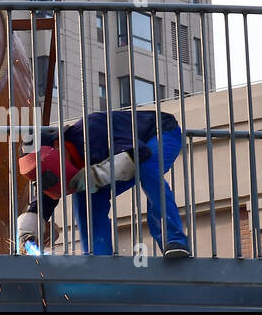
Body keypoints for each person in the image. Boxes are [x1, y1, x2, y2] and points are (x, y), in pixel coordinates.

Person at [17, 108, 190, 258]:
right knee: (85, 194)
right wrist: (28, 233)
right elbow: (43, 201)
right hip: (126, 157)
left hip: (160, 132)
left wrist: (97, 174)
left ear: (57, 145)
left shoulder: (89, 131)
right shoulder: (52, 170)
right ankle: (98, 256)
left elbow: (139, 152)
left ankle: (173, 240)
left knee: (148, 170)